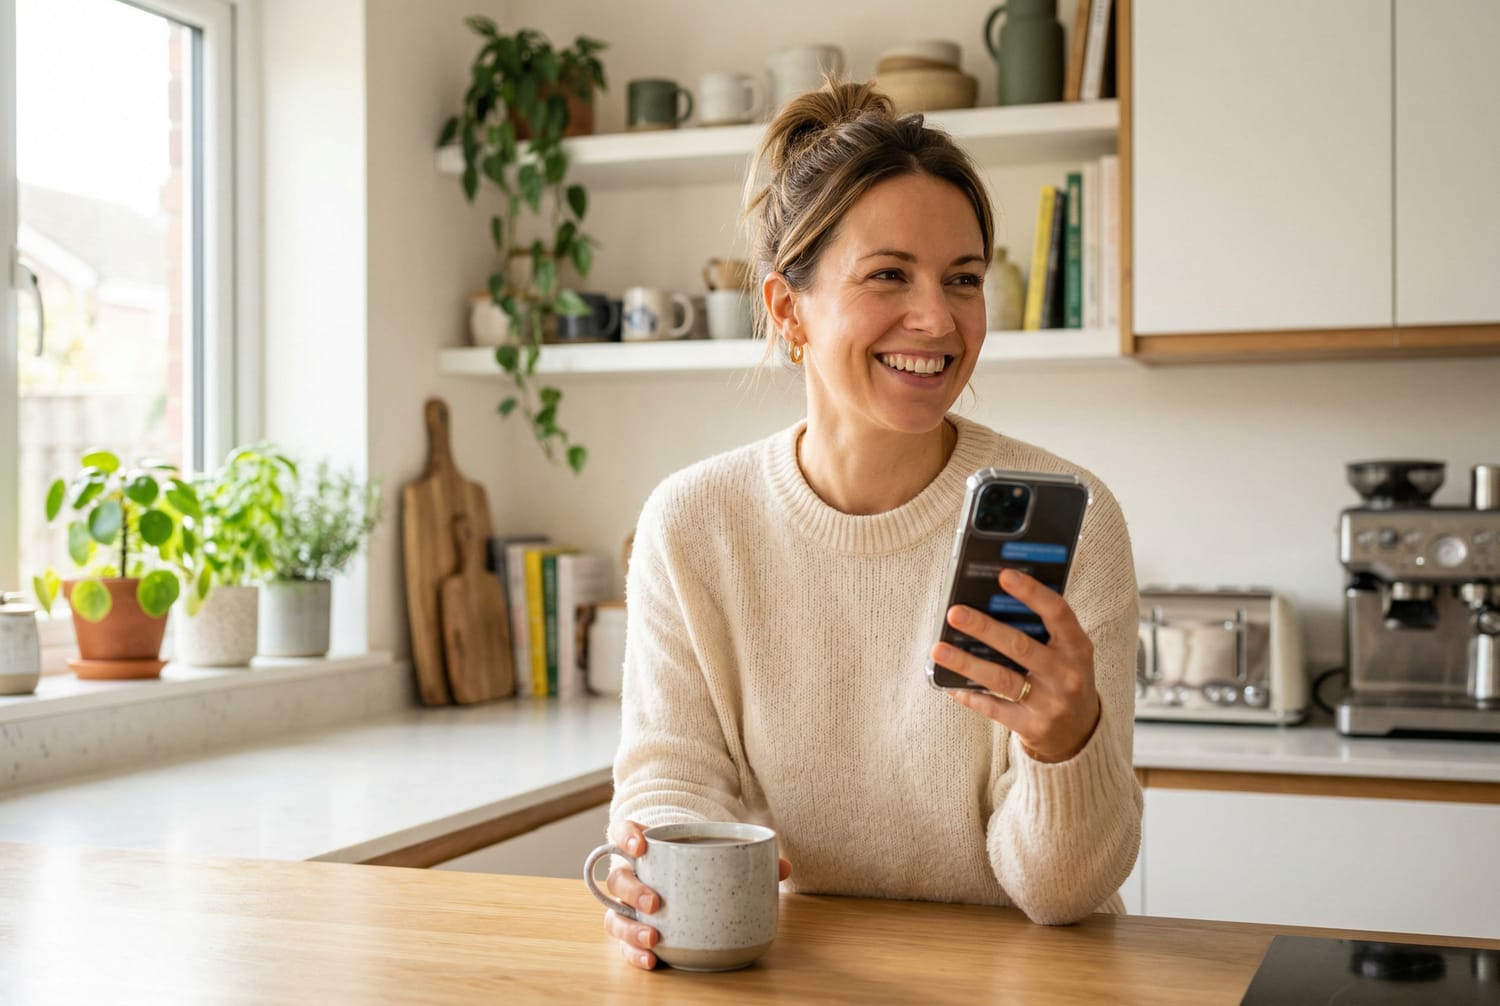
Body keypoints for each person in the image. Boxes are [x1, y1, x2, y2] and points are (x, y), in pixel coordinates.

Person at [600, 80, 1141, 971]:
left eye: (963, 279)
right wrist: (657, 879)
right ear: (786, 309)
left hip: (1028, 980)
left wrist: (1064, 743)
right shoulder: (696, 524)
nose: (937, 319)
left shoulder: (1074, 517)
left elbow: (1062, 895)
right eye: (889, 275)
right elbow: (670, 778)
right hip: (805, 971)